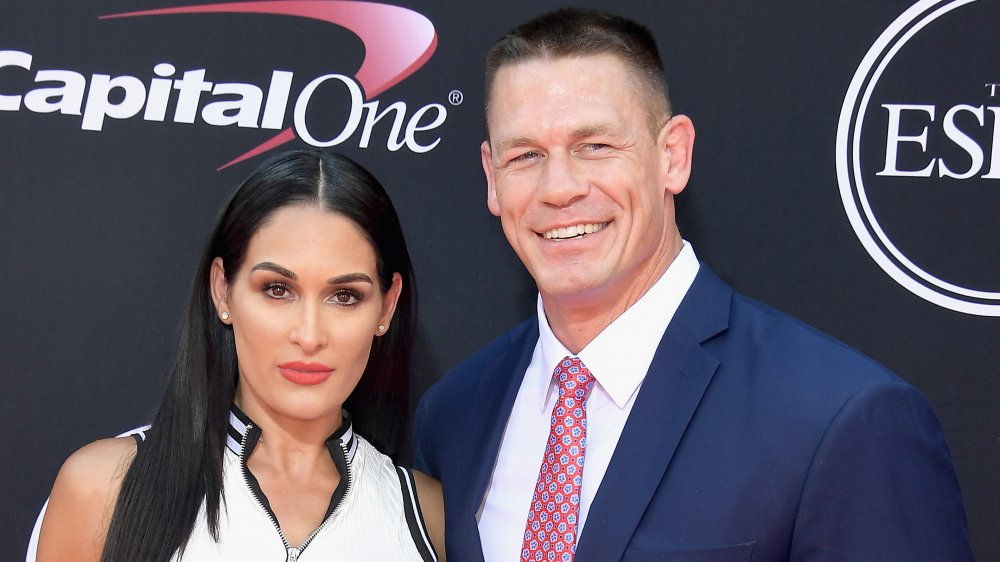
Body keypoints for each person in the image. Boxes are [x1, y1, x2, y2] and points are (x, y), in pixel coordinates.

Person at [411, 7, 972, 562]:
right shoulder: (455, 416)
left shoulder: (843, 419)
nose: (559, 188)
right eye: (526, 155)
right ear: (492, 177)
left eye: (596, 146)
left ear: (672, 155)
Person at [35, 150, 444, 562]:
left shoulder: (430, 519)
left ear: (387, 307)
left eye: (344, 296)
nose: (309, 335)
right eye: (277, 289)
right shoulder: (104, 488)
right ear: (222, 290)